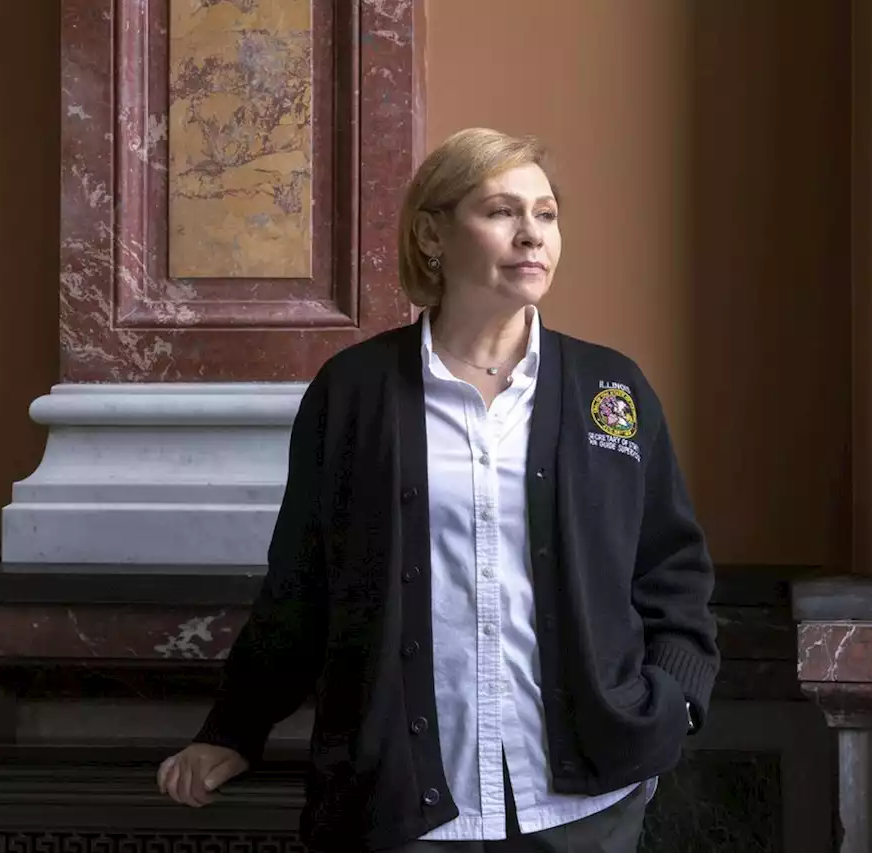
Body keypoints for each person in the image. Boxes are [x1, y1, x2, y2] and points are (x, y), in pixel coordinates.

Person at [158, 127, 719, 853]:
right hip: (404, 803)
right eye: (501, 212)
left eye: (546, 215)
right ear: (432, 232)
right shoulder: (355, 392)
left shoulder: (609, 390)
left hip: (584, 806)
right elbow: (303, 584)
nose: (532, 236)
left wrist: (673, 700)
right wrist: (234, 729)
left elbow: (672, 568)